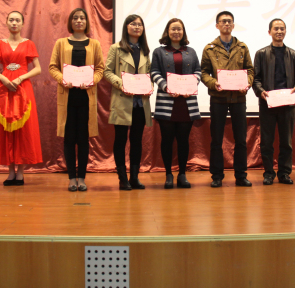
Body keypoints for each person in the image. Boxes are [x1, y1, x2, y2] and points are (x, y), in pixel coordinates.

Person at [49, 8, 104, 192]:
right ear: (71, 22)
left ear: (86, 22)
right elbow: (53, 67)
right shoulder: (61, 43)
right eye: (75, 18)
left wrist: (92, 81)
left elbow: (100, 69)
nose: (79, 21)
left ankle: (82, 178)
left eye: (82, 18)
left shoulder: (94, 44)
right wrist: (63, 79)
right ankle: (72, 178)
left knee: (83, 138)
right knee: (69, 138)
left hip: (86, 97)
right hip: (68, 96)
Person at [200, 11, 254, 187]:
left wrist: (247, 83)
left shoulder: (242, 47)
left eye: (229, 21)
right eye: (223, 21)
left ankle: (241, 175)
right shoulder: (209, 48)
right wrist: (213, 83)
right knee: (217, 139)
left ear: (233, 25)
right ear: (217, 25)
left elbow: (250, 70)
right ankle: (217, 176)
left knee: (241, 139)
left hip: (239, 98)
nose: (226, 24)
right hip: (218, 98)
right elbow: (203, 72)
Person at [0, 11, 42, 185]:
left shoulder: (28, 44)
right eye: (11, 20)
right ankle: (10, 172)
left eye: (17, 20)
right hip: (4, 90)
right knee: (6, 128)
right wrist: (3, 78)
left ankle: (20, 172)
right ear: (6, 22)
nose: (14, 23)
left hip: (23, 89)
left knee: (23, 129)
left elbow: (38, 69)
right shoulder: (0, 44)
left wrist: (20, 78)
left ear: (22, 23)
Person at [151, 18, 202, 189]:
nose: (176, 32)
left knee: (183, 140)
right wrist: (166, 87)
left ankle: (182, 174)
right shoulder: (159, 52)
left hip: (186, 103)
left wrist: (192, 84)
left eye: (179, 29)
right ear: (167, 31)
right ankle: (168, 174)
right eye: (173, 29)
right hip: (167, 102)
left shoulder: (191, 51)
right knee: (167, 140)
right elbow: (154, 72)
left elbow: (198, 71)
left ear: (183, 32)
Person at [104, 14, 153, 191]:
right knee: (120, 140)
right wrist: (121, 83)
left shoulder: (145, 50)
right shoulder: (116, 48)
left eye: (140, 24)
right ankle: (122, 178)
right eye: (133, 24)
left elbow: (149, 74)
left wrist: (150, 86)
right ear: (126, 27)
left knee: (137, 140)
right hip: (123, 100)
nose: (137, 27)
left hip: (141, 102)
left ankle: (134, 177)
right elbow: (107, 72)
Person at [252, 19, 295, 185]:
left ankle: (284, 173)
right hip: (267, 103)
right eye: (276, 29)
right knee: (266, 142)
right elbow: (255, 78)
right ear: (270, 32)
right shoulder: (261, 53)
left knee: (286, 142)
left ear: (285, 31)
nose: (279, 31)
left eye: (282, 29)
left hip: (287, 104)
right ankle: (268, 173)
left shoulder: (293, 54)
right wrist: (261, 91)